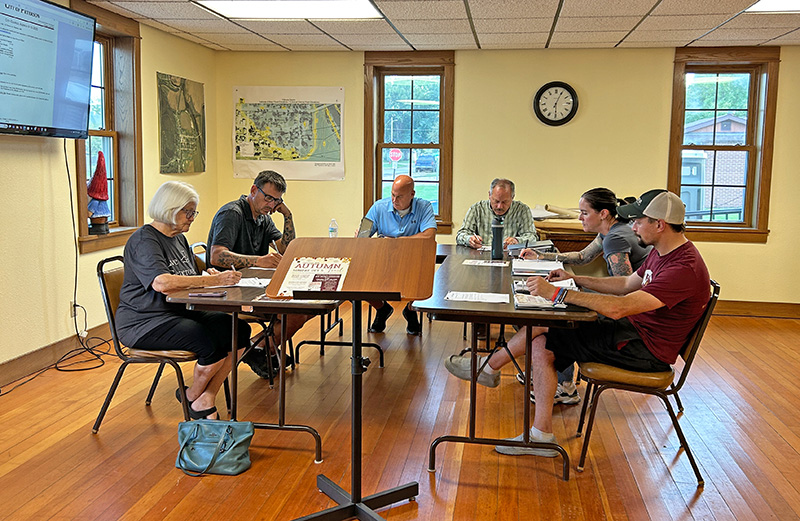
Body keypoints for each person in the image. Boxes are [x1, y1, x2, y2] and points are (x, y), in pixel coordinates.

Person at [446, 189, 710, 457]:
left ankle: (506, 390)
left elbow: (620, 307)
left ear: (660, 225)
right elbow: (627, 284)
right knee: (546, 329)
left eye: (639, 221)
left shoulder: (682, 268)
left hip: (643, 350)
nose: (633, 226)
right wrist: (576, 279)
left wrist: (557, 292)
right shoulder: (662, 250)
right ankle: (511, 397)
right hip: (633, 333)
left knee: (544, 336)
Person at [116, 181, 250, 420]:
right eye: (187, 212)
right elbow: (162, 283)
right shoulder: (144, 240)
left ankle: (201, 397)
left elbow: (186, 277)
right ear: (169, 208)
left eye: (193, 212)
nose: (192, 218)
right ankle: (193, 398)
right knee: (206, 341)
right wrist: (212, 282)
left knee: (238, 330)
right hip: (144, 321)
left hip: (179, 311)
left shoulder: (178, 238)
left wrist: (208, 276)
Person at [515, 187, 653, 404]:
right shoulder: (609, 231)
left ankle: (563, 384)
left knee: (562, 312)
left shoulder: (615, 238)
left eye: (584, 213)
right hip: (635, 307)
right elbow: (582, 257)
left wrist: (574, 290)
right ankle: (546, 373)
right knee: (561, 300)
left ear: (603, 214)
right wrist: (542, 255)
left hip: (634, 318)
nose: (580, 217)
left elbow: (626, 291)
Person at [206, 170, 308, 378]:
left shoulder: (264, 218)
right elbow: (216, 256)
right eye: (268, 198)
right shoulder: (232, 213)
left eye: (277, 201)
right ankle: (258, 351)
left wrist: (288, 216)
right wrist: (258, 261)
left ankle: (256, 347)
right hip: (229, 289)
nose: (271, 205)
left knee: (303, 310)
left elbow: (285, 249)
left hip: (253, 286)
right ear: (253, 190)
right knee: (296, 312)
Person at [364, 174, 437, 335]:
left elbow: (429, 235)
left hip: (413, 260)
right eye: (392, 195)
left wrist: (397, 241)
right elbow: (362, 235)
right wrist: (363, 234)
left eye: (399, 197)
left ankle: (410, 309)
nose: (394, 200)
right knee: (359, 277)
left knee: (428, 277)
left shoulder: (424, 207)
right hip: (383, 259)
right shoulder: (378, 207)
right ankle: (382, 308)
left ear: (412, 194)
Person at [456, 178, 538, 250]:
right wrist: (469, 239)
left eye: (505, 202)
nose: (499, 206)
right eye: (496, 201)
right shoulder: (477, 209)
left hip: (511, 258)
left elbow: (532, 237)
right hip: (481, 256)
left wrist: (517, 241)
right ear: (489, 195)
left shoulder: (522, 210)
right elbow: (461, 235)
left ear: (512, 197)